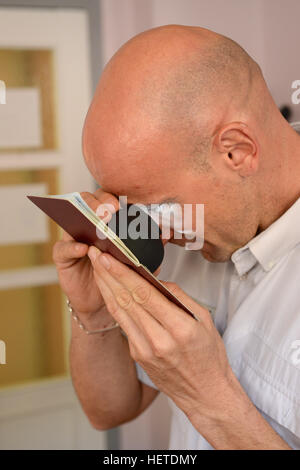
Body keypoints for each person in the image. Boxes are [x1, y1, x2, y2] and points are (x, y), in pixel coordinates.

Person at [53, 25, 300, 449]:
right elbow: (110, 410)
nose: (151, 232)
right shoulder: (190, 241)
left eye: (155, 207)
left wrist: (207, 397)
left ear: (236, 151)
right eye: (131, 209)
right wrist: (95, 313)